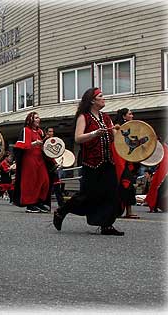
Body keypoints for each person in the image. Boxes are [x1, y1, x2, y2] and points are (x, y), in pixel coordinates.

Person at [53, 87, 124, 236]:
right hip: (91, 163)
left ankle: (107, 225)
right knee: (87, 195)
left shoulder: (106, 117)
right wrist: (94, 133)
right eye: (101, 96)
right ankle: (61, 211)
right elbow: (78, 138)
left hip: (108, 161)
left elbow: (117, 137)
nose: (104, 99)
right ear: (93, 100)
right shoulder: (83, 117)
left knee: (110, 193)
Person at [13, 112, 51, 213]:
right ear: (31, 120)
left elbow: (43, 147)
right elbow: (20, 145)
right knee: (30, 182)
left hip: (40, 158)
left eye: (39, 117)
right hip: (29, 159)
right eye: (36, 118)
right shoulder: (26, 130)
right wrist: (34, 143)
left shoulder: (40, 132)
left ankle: (38, 201)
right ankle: (30, 204)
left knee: (45, 180)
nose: (39, 119)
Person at [113, 108, 140, 219]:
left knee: (129, 185)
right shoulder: (117, 127)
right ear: (124, 116)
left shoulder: (130, 128)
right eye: (130, 114)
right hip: (120, 162)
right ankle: (125, 211)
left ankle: (128, 211)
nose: (132, 116)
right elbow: (117, 143)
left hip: (128, 161)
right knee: (125, 184)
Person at [44, 127, 65, 208]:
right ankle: (46, 204)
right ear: (46, 133)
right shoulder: (44, 142)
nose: (51, 133)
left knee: (56, 186)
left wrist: (58, 162)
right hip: (46, 166)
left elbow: (57, 154)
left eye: (52, 131)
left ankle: (61, 204)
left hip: (53, 166)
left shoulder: (55, 141)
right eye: (49, 131)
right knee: (47, 186)